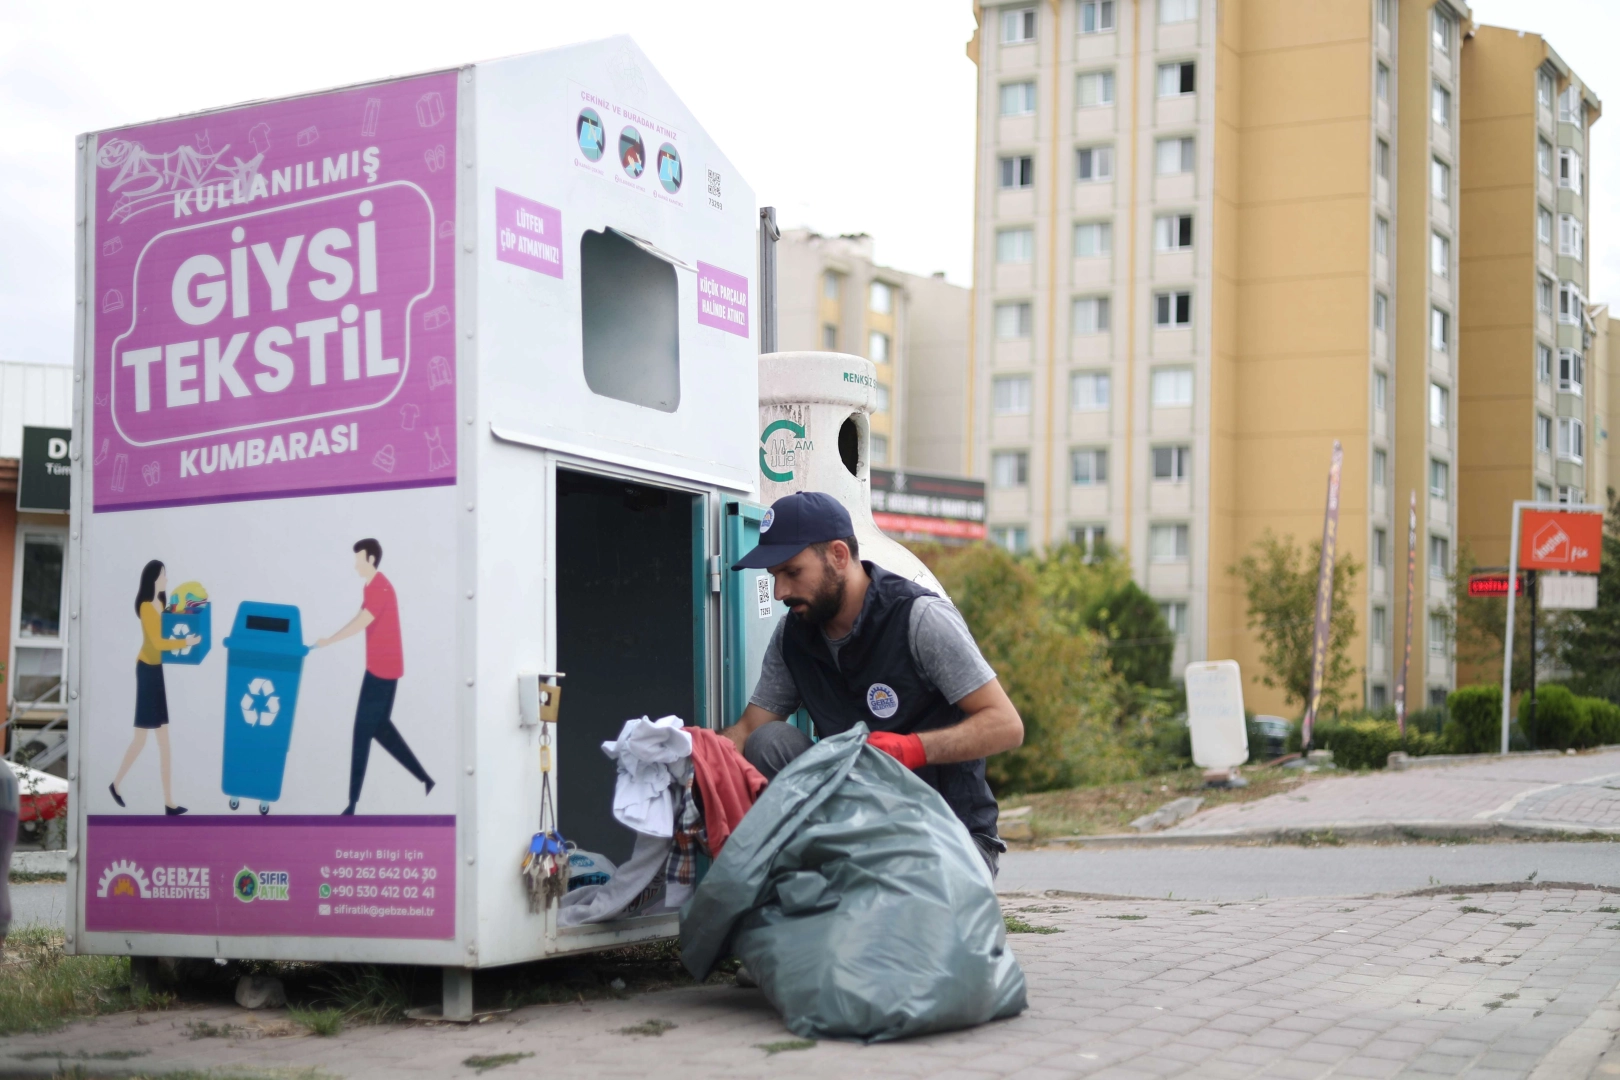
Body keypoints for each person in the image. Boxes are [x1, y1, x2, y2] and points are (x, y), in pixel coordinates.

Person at [723, 492, 1023, 875]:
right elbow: (750, 730)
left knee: (882, 915)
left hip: (948, 836)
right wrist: (700, 756)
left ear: (838, 555)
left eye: (792, 572)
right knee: (768, 743)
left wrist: (911, 749)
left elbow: (1005, 725)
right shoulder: (793, 634)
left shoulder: (919, 618)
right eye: (774, 577)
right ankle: (819, 870)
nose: (780, 592)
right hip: (856, 827)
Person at [314, 539, 434, 815]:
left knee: (361, 733)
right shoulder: (371, 585)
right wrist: (329, 639)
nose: (355, 565)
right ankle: (426, 779)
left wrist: (330, 641)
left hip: (382, 671)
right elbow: (359, 615)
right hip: (383, 668)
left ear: (371, 560)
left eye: (359, 559)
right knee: (380, 729)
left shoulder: (379, 586)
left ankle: (352, 805)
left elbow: (361, 622)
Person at [110, 560, 200, 815]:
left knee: (163, 740)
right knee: (141, 739)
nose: (166, 579)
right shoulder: (147, 608)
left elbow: (175, 621)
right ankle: (116, 784)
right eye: (163, 575)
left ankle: (169, 802)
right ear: (153, 579)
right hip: (147, 670)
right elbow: (159, 643)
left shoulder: (162, 604)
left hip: (156, 671)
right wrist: (188, 640)